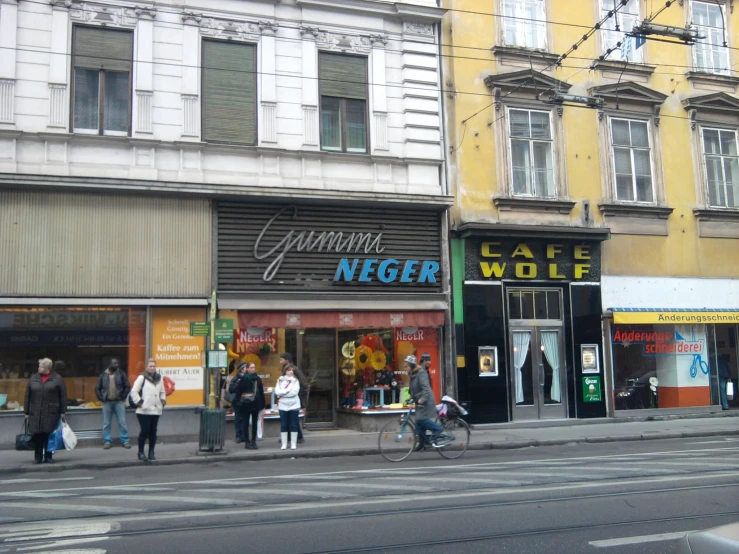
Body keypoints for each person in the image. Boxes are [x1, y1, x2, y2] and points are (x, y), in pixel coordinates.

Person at [24, 358, 67, 464]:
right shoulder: (34, 378)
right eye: (39, 366)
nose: (39, 368)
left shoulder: (57, 378)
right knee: (37, 435)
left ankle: (48, 456)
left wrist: (63, 411)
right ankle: (38, 457)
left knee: (49, 435)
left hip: (51, 411)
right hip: (36, 411)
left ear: (47, 368)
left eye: (41, 366)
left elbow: (63, 396)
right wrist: (26, 412)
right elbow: (27, 395)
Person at [130, 358, 166, 462]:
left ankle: (151, 452)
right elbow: (134, 391)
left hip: (156, 410)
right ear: (147, 367)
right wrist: (139, 402)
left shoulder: (160, 378)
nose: (152, 368)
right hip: (143, 410)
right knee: (145, 431)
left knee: (153, 432)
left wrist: (162, 401)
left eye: (154, 366)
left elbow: (162, 392)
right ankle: (140, 452)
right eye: (150, 366)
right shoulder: (142, 377)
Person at [407, 354, 445, 450]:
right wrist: (411, 398)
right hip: (419, 401)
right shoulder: (412, 374)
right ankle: (422, 443)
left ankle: (438, 429)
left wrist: (422, 399)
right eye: (427, 360)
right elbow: (413, 389)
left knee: (421, 420)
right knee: (418, 422)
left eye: (406, 366)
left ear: (411, 366)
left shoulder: (421, 372)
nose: (404, 368)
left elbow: (426, 389)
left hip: (425, 401)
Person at [95, 357, 131, 450]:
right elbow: (97, 388)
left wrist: (122, 397)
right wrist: (101, 398)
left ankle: (125, 441)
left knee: (122, 422)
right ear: (109, 365)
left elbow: (127, 386)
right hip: (107, 402)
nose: (117, 365)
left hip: (119, 402)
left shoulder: (121, 374)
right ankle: (107, 441)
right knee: (106, 423)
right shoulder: (103, 375)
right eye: (114, 364)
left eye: (117, 363)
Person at [231, 362, 265, 449]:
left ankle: (254, 441)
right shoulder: (244, 378)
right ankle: (247, 441)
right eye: (251, 367)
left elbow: (261, 392)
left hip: (255, 403)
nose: (253, 369)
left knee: (254, 423)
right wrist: (237, 402)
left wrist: (262, 405)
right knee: (245, 423)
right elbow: (239, 391)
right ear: (247, 368)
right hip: (245, 404)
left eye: (254, 367)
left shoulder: (257, 378)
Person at [279, 353, 308, 444]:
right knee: (288, 417)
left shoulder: (292, 369)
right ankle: (288, 437)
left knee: (292, 418)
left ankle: (298, 437)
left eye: (281, 359)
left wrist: (297, 392)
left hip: (294, 397)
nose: (280, 362)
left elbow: (303, 383)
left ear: (287, 360)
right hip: (289, 397)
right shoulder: (287, 368)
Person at [275, 365, 301, 450]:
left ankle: (293, 443)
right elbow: (277, 391)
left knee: (294, 424)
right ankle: (284, 444)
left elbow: (294, 392)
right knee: (284, 424)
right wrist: (286, 391)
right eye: (289, 370)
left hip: (294, 404)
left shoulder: (295, 380)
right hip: (283, 405)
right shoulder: (280, 380)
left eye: (292, 370)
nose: (291, 372)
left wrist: (283, 393)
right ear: (285, 371)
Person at [224, 361, 245, 444]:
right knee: (238, 419)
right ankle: (238, 436)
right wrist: (238, 384)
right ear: (241, 370)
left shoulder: (247, 377)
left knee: (244, 419)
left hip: (245, 401)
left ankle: (243, 435)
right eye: (245, 368)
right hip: (237, 402)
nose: (246, 369)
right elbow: (231, 389)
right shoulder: (236, 378)